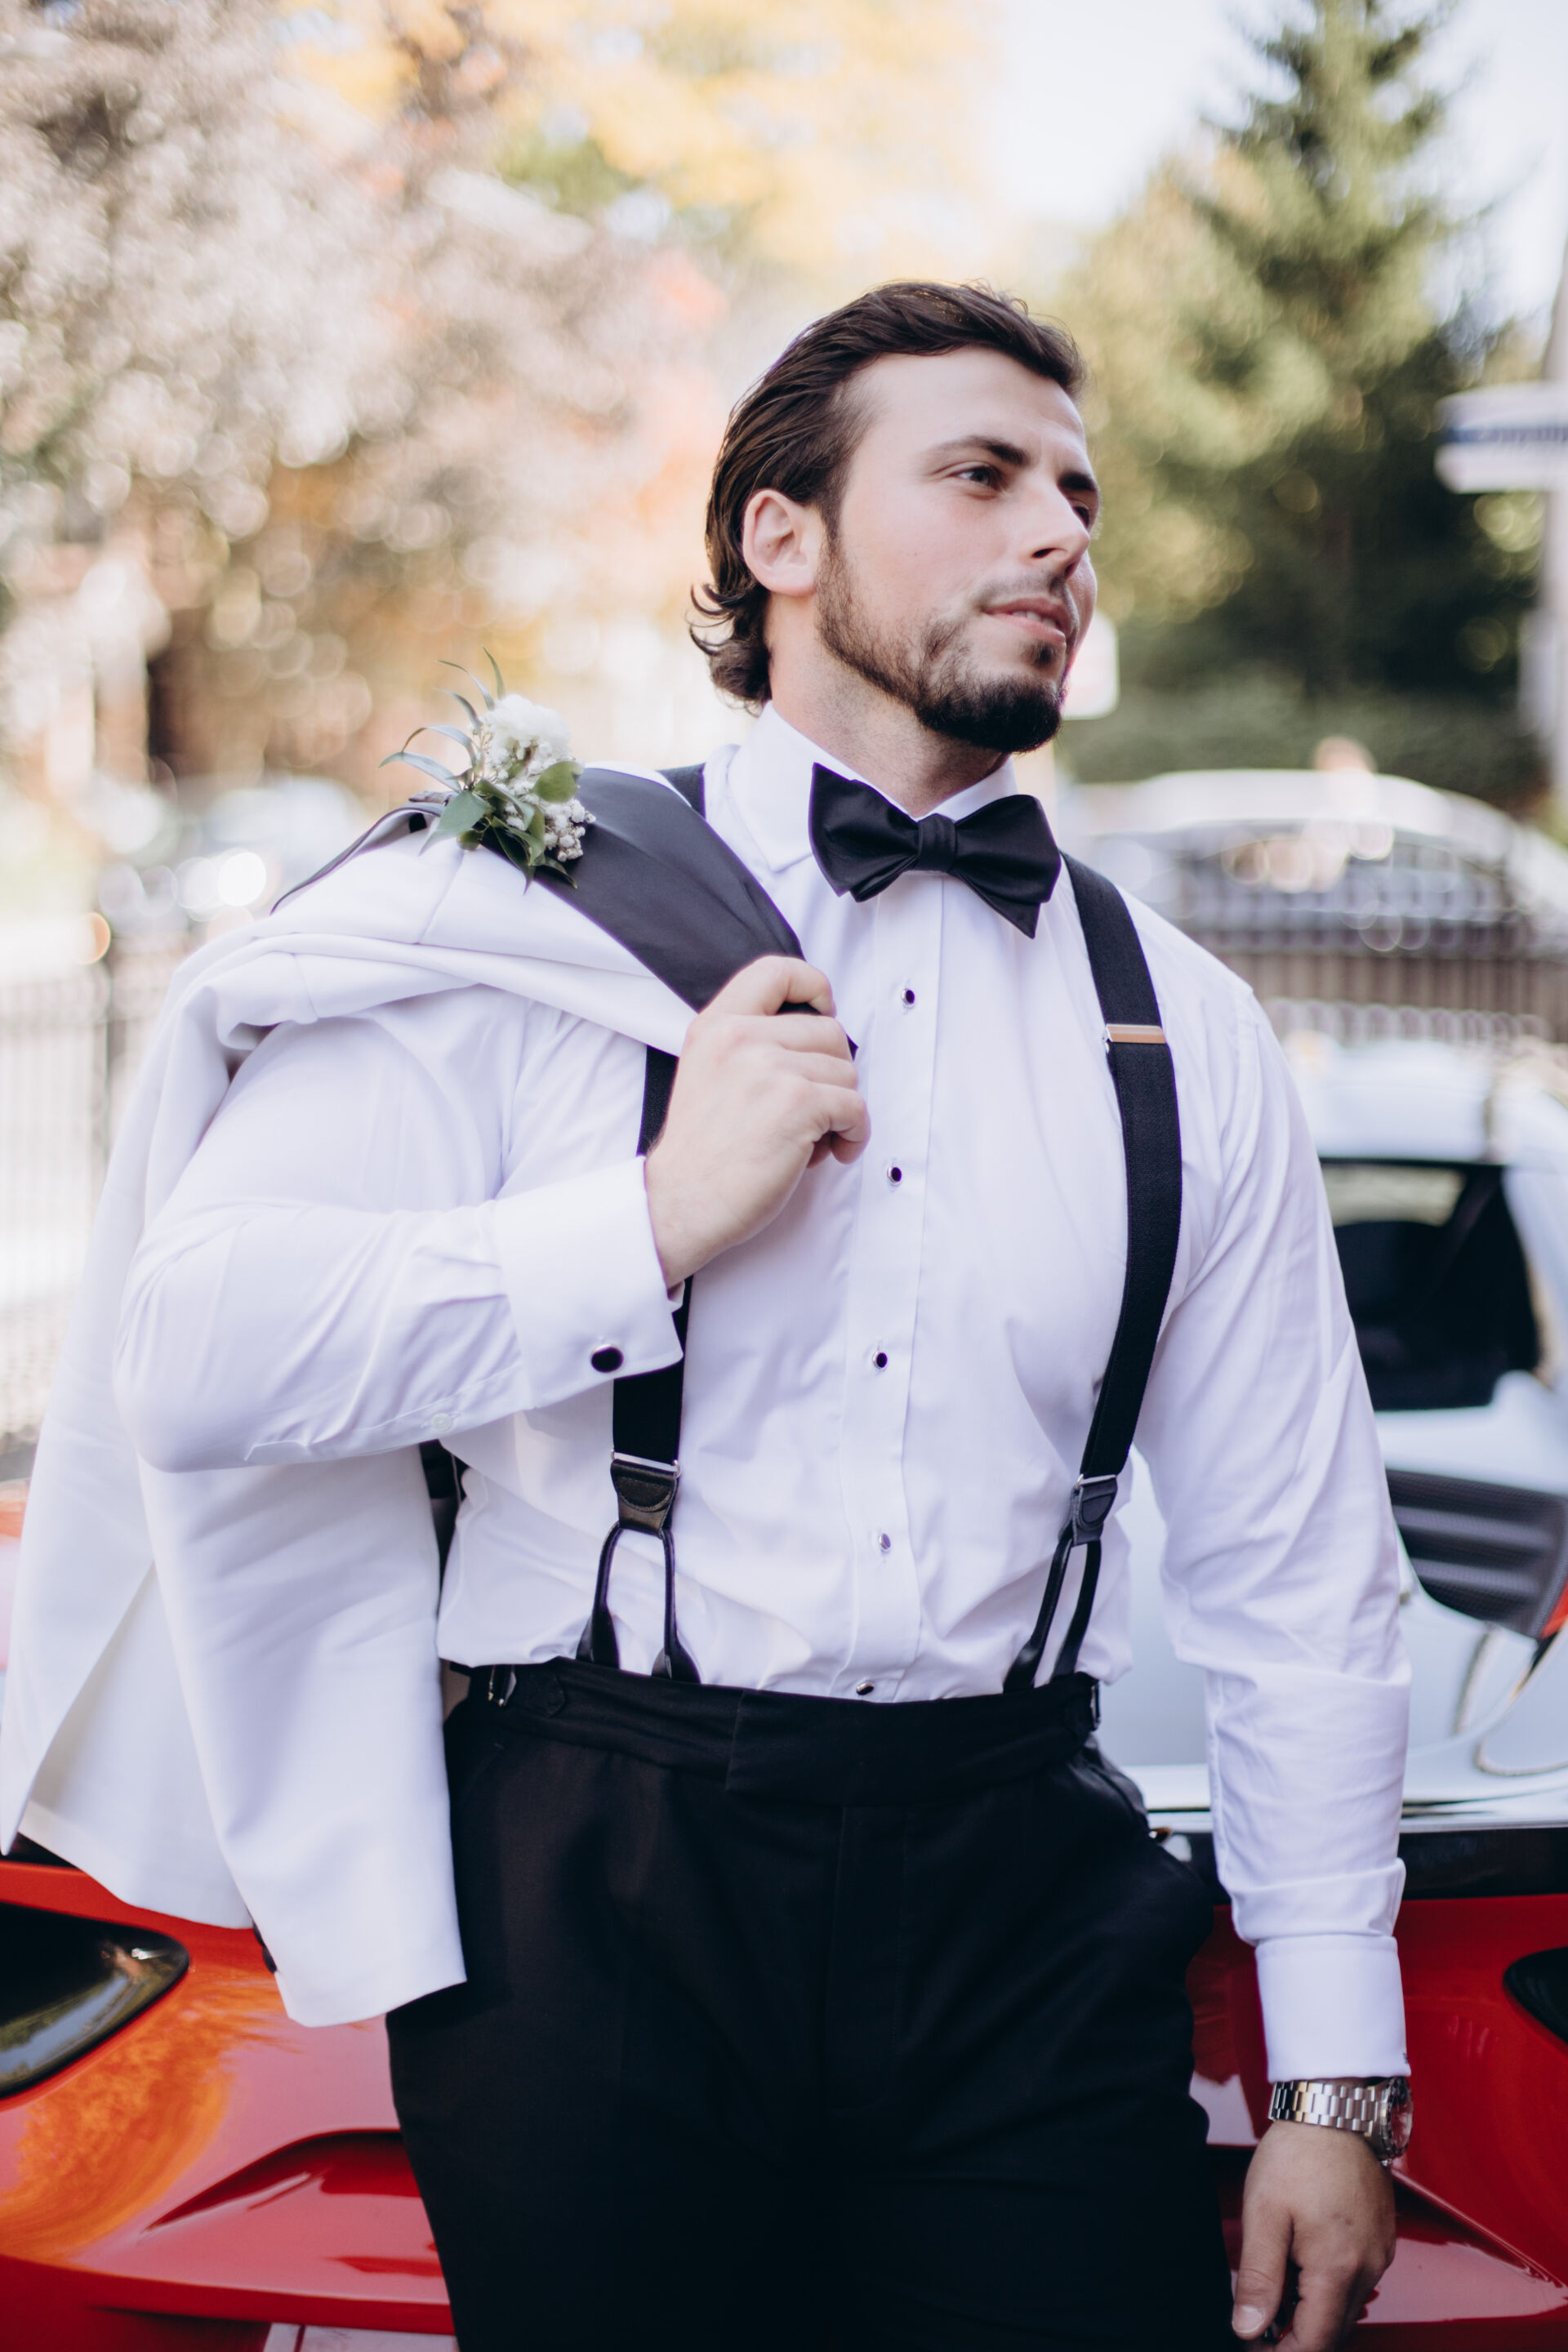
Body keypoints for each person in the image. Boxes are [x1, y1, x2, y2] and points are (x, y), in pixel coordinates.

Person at [11, 284, 1408, 2351]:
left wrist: (1336, 2079)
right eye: (981, 475)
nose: (1059, 536)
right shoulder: (521, 927)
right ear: (782, 537)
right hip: (597, 1890)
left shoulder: (1180, 1029)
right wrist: (649, 1224)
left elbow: (1300, 1575)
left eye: (1079, 495)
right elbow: (196, 1347)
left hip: (1025, 1899)